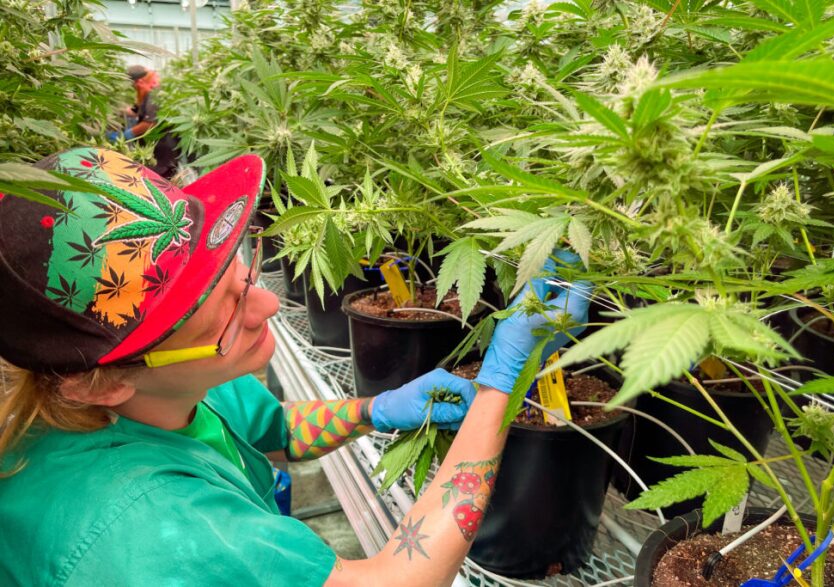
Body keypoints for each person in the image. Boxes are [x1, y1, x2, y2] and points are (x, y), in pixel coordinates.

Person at [0, 147, 589, 586]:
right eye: (225, 317)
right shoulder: (151, 534)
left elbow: (276, 429)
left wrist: (375, 409)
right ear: (100, 383)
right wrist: (500, 385)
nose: (269, 304)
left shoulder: (158, 394)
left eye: (239, 274)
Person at [107, 65, 180, 179]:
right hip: (157, 143)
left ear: (139, 81)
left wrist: (126, 134)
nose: (134, 87)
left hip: (163, 145)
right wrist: (118, 110)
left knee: (162, 176)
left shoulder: (154, 94)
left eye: (134, 84)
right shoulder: (148, 91)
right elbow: (136, 111)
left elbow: (149, 123)